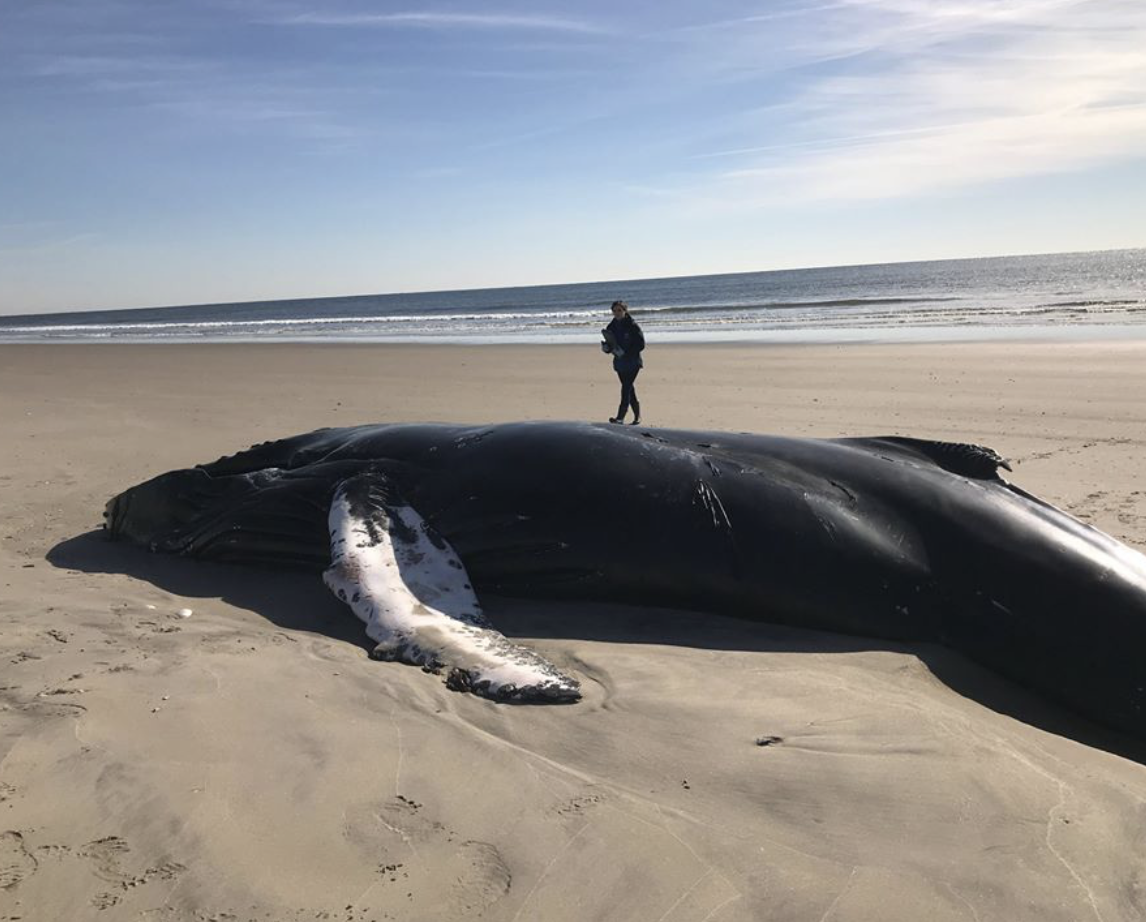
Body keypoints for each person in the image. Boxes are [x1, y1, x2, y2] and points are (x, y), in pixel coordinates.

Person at [600, 300, 645, 425]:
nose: (617, 313)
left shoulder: (633, 326)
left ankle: (620, 417)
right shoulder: (611, 327)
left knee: (626, 388)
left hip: (633, 362)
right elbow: (610, 345)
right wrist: (606, 348)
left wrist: (627, 353)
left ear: (625, 311)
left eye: (619, 310)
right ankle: (637, 416)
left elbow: (641, 345)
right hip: (620, 363)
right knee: (629, 389)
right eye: (614, 311)